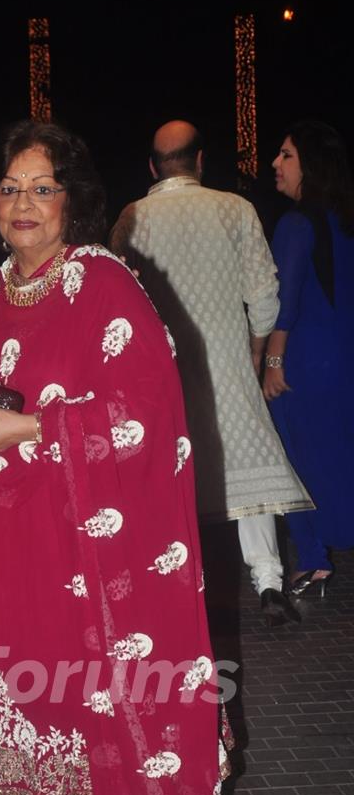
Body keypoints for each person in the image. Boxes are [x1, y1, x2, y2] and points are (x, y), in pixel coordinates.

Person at [0, 120, 229, 795]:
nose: (23, 204)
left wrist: (31, 429)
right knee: (72, 684)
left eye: (42, 187)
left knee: (119, 679)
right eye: (8, 189)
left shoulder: (101, 280)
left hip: (105, 537)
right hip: (25, 535)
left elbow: (148, 406)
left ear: (73, 201)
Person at [110, 121, 311, 627]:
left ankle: (179, 590)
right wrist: (256, 350)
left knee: (168, 467)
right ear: (200, 162)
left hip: (160, 366)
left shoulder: (134, 216)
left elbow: (115, 295)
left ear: (153, 167)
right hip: (227, 359)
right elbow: (264, 294)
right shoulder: (235, 209)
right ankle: (267, 581)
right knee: (248, 463)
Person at [265, 120, 354, 594]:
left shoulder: (297, 222)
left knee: (290, 457)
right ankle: (316, 555)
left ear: (310, 165)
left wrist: (272, 362)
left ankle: (315, 557)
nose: (275, 165)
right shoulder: (344, 220)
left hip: (306, 358)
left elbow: (286, 297)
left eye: (286, 155)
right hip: (343, 355)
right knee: (338, 450)